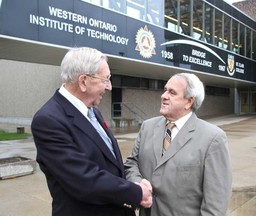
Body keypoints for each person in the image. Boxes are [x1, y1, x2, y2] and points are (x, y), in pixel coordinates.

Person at [31, 47, 152, 216]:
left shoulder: (93, 111)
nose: (109, 87)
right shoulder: (49, 120)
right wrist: (137, 192)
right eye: (106, 79)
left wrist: (135, 181)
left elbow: (109, 162)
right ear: (83, 81)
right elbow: (83, 179)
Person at [124, 73, 232, 216]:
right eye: (165, 90)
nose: (163, 96)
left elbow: (216, 202)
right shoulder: (147, 127)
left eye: (172, 92)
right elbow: (131, 163)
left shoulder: (213, 138)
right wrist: (138, 183)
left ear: (189, 102)